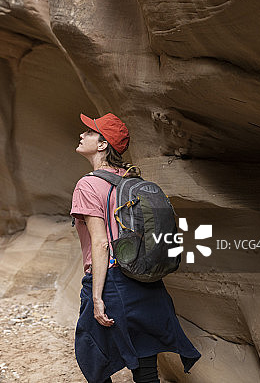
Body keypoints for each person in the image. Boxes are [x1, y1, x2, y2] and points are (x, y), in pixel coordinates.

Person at [71, 112, 200, 383]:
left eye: (89, 132)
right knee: (146, 368)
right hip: (145, 281)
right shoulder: (135, 182)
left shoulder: (88, 184)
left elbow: (101, 242)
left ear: (103, 144)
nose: (82, 135)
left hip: (111, 282)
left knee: (94, 361)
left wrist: (97, 297)